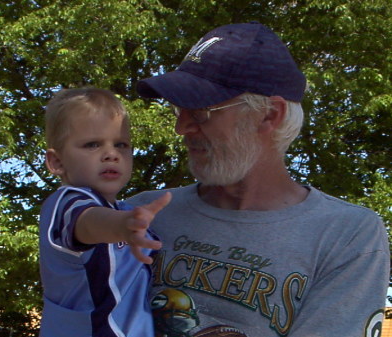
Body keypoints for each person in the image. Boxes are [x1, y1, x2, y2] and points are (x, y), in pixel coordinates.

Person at [128, 22, 390, 337]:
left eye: (201, 111)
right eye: (178, 109)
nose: (181, 128)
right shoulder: (138, 215)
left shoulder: (346, 235)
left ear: (269, 114)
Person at [38, 87, 171, 337]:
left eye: (121, 145)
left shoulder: (126, 210)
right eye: (92, 145)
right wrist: (123, 226)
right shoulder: (65, 203)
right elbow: (88, 223)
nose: (111, 154)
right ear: (57, 162)